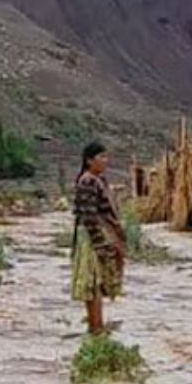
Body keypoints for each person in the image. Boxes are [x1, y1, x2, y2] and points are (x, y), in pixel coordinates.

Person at [71, 142, 127, 335]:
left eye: (106, 156)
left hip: (98, 236)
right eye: (101, 157)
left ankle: (96, 325)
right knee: (92, 282)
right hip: (92, 238)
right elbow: (89, 216)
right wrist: (101, 244)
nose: (105, 161)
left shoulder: (98, 179)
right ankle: (96, 326)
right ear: (89, 161)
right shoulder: (87, 181)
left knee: (98, 281)